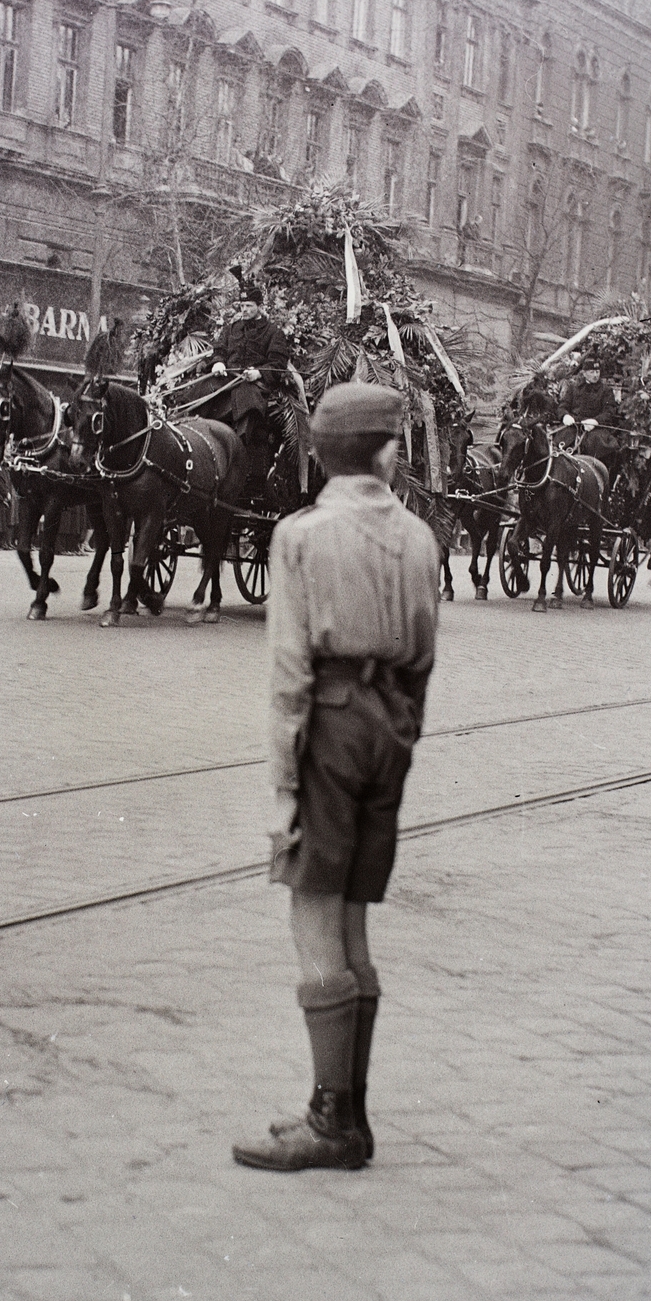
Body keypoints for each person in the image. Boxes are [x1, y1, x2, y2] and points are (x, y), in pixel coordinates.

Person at [232, 384, 440, 1173]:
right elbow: (423, 651)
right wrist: (398, 730)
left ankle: (332, 1122)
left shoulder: (301, 537)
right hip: (390, 727)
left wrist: (284, 790)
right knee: (353, 921)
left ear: (320, 453)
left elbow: (289, 674)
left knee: (313, 918)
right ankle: (347, 1115)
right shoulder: (421, 538)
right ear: (389, 452)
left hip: (328, 724)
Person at [210, 278, 292, 496]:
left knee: (248, 402)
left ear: (259, 307)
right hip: (227, 381)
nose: (244, 310)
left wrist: (259, 373)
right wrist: (218, 362)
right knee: (199, 394)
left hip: (254, 385)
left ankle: (240, 453)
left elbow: (278, 364)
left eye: (249, 306)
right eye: (242, 306)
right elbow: (219, 350)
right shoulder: (231, 329)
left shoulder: (273, 332)